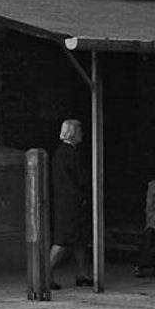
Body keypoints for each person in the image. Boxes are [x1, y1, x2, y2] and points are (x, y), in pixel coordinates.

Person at [49, 119, 93, 290]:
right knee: (62, 242)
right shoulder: (69, 153)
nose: (82, 135)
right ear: (73, 133)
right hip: (71, 204)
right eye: (80, 131)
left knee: (80, 241)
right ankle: (45, 273)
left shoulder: (61, 152)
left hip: (68, 202)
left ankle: (82, 274)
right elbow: (80, 178)